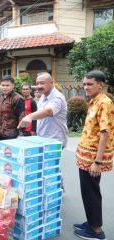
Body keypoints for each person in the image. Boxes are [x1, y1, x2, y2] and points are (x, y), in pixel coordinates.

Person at [73, 70, 113, 240]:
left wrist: (97, 162)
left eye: (89, 84)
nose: (85, 87)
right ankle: (91, 222)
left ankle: (96, 231)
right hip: (86, 157)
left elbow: (105, 133)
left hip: (92, 160)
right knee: (87, 191)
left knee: (91, 193)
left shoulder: (105, 102)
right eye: (84, 84)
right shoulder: (94, 101)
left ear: (100, 85)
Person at [18, 72, 68, 147]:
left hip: (54, 141)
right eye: (37, 83)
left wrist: (29, 116)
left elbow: (48, 111)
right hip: (42, 138)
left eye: (42, 83)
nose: (39, 86)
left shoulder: (57, 97)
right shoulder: (43, 96)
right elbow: (39, 114)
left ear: (51, 83)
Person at [0, 75, 26, 140]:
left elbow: (22, 117)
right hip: (1, 132)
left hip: (12, 134)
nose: (5, 87)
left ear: (13, 86)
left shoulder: (17, 98)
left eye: (7, 85)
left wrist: (21, 133)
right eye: (3, 85)